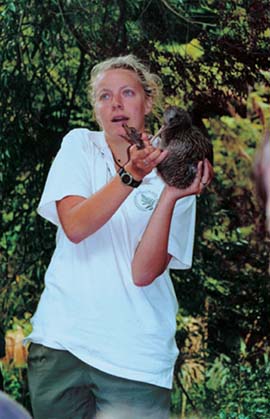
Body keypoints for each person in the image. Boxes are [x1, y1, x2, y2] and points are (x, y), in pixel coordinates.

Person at [26, 54, 213, 419]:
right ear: (95, 109)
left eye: (127, 93)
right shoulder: (80, 145)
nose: (116, 104)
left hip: (135, 359)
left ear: (149, 102)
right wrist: (130, 176)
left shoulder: (175, 170)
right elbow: (76, 226)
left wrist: (172, 196)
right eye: (104, 96)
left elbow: (143, 273)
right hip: (62, 345)